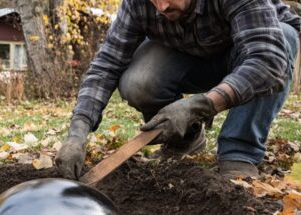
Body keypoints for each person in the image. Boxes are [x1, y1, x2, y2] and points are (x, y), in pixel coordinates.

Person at [55, 0, 300, 179]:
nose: (161, 7)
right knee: (138, 81)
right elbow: (106, 65)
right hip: (190, 57)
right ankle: (184, 140)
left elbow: (267, 61)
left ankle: (240, 151)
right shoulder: (138, 4)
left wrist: (201, 105)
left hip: (250, 50)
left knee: (283, 39)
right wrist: (78, 132)